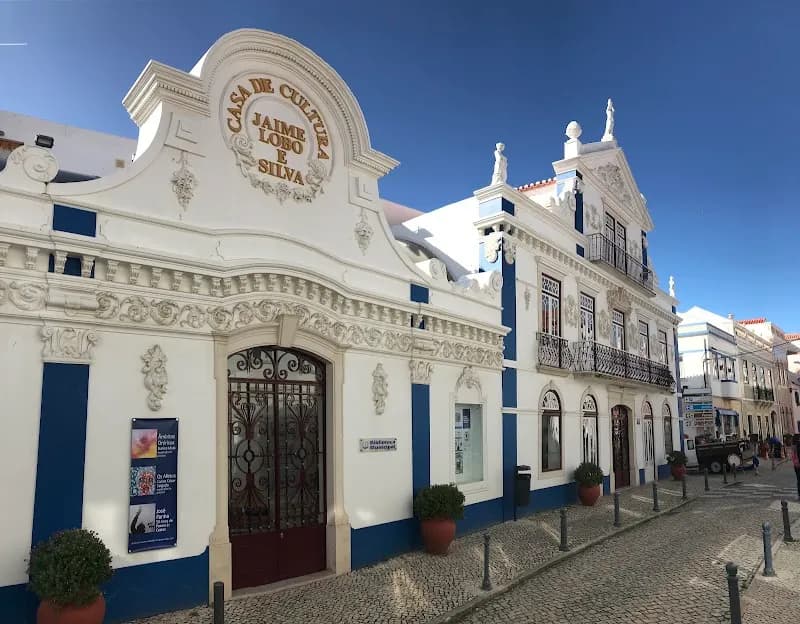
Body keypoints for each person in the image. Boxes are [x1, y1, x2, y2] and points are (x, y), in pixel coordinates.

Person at [793, 435, 800, 500]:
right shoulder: (796, 447)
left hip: (797, 465)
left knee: (799, 480)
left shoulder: (795, 446)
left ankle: (799, 495)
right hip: (797, 466)